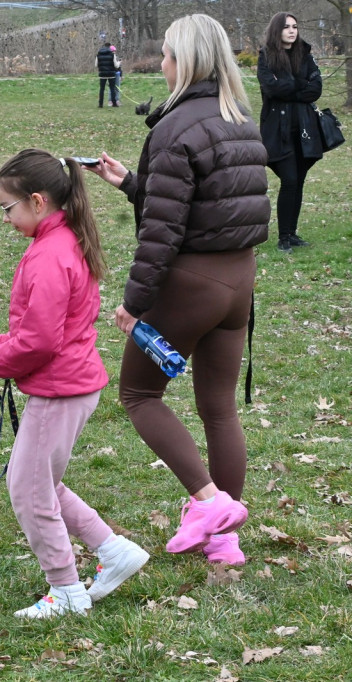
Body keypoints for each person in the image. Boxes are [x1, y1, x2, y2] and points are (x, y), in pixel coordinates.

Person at [87, 14, 270, 566]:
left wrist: (133, 304)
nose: (161, 62)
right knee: (219, 407)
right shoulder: (239, 118)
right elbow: (201, 206)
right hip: (239, 281)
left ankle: (208, 502)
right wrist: (132, 185)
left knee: (140, 396)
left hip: (189, 283)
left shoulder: (174, 127)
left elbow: (163, 236)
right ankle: (225, 539)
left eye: (166, 53)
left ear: (184, 60)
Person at [0, 150, 149, 619]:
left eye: (7, 208)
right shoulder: (60, 239)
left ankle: (66, 591)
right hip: (68, 381)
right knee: (39, 481)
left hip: (59, 388)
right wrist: (2, 346)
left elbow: (41, 339)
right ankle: (113, 550)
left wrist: (2, 362)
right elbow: (45, 323)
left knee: (28, 490)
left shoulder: (50, 253)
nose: (5, 218)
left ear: (36, 201)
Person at [258, 12, 323, 252]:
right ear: (277, 30)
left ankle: (292, 233)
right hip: (278, 130)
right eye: (286, 27)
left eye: (295, 26)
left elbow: (315, 89)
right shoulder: (266, 57)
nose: (292, 31)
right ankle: (283, 237)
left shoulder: (305, 54)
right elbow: (272, 87)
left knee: (299, 181)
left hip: (304, 129)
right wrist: (299, 84)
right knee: (290, 180)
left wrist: (292, 87)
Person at [96, 42, 121, 108]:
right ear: (110, 47)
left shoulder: (98, 54)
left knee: (102, 89)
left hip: (102, 74)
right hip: (111, 74)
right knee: (112, 89)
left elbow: (96, 65)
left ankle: (100, 104)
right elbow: (116, 65)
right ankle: (114, 103)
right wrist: (119, 62)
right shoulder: (112, 54)